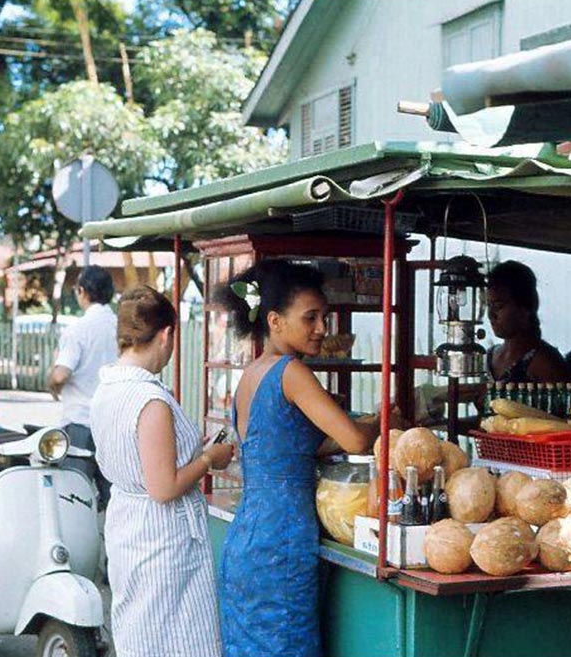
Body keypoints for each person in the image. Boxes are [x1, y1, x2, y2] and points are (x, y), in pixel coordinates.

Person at [216, 260, 376, 657]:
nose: (323, 328)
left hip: (247, 536)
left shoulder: (252, 373)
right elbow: (355, 440)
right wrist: (383, 421)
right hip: (282, 538)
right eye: (311, 318)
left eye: (325, 316)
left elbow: (288, 446)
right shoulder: (292, 372)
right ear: (274, 320)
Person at [91, 286, 234, 657]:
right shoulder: (149, 399)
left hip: (128, 528)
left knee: (142, 634)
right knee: (174, 639)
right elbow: (163, 487)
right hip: (162, 540)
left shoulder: (107, 387)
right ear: (167, 334)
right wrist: (207, 460)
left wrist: (189, 449)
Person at [47, 266, 118, 509]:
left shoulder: (78, 329)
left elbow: (61, 374)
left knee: (75, 496)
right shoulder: (119, 326)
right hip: (113, 421)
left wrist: (51, 378)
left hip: (81, 422)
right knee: (114, 496)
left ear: (82, 291)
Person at [486, 260, 570, 384]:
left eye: (499, 306)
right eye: (489, 305)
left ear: (524, 309)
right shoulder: (489, 356)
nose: (490, 315)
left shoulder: (545, 362)